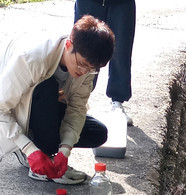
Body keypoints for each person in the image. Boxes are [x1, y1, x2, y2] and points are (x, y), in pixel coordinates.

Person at [0, 15, 115, 185]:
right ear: (69, 45)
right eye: (82, 64)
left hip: (45, 108)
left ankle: (48, 153)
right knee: (47, 87)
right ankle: (33, 153)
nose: (84, 71)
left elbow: (77, 108)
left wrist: (65, 150)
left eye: (92, 69)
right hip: (15, 105)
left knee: (97, 132)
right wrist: (28, 148)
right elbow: (1, 107)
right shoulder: (31, 58)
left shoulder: (88, 68)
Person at [74, 0, 136, 125]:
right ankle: (79, 104)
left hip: (122, 4)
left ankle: (117, 103)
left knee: (121, 51)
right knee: (85, 49)